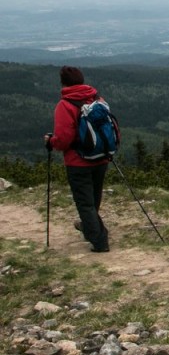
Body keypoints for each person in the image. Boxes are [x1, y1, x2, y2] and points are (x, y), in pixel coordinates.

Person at [44, 66, 111, 253]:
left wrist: (51, 141)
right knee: (94, 198)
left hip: (78, 162)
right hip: (101, 158)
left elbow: (64, 139)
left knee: (84, 202)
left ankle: (99, 240)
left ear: (63, 83)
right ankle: (90, 226)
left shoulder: (65, 105)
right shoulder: (97, 99)